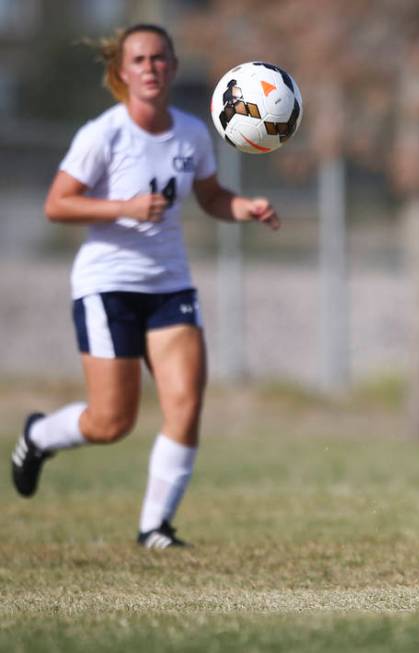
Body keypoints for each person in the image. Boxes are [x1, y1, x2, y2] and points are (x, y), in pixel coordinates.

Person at [10, 24, 279, 549]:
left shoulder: (192, 133)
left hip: (170, 285)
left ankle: (154, 527)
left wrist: (243, 207)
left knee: (185, 404)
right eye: (139, 60)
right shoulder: (103, 135)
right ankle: (38, 436)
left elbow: (210, 196)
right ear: (122, 72)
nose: (151, 68)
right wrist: (123, 208)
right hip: (106, 286)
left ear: (174, 67)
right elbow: (56, 203)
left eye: (160, 58)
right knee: (112, 422)